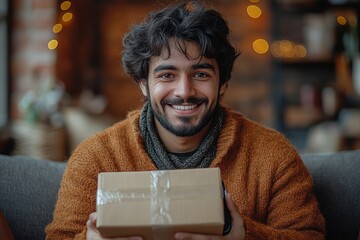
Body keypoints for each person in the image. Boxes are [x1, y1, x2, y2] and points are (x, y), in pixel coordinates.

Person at [45, 1, 325, 239]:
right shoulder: (96, 157)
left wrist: (247, 236)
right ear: (143, 83)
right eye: (167, 75)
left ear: (222, 82)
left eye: (201, 74)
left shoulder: (273, 156)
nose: (184, 91)